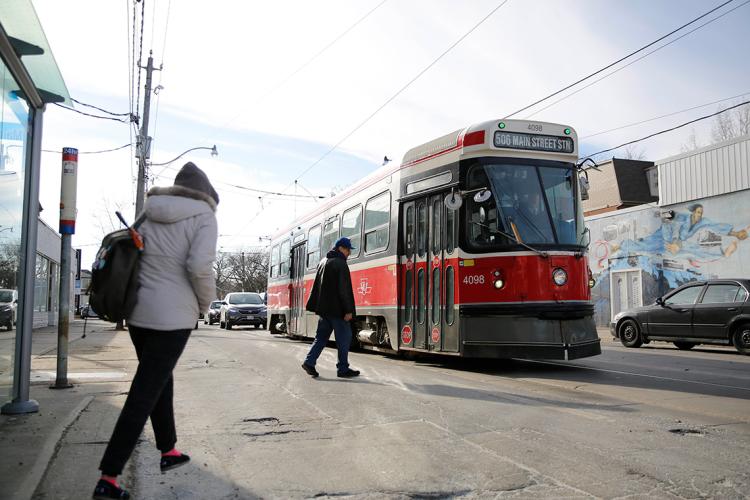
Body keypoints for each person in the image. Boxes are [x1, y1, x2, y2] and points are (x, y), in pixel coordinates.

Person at [93, 162, 219, 499]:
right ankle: (109, 478)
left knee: (159, 378)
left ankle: (168, 451)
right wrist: (205, 305)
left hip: (138, 314)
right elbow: (199, 268)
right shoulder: (204, 216)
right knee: (144, 392)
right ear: (206, 194)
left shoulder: (149, 212)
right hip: (172, 318)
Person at [301, 237, 360, 379]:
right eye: (347, 249)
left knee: (321, 338)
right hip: (337, 310)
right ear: (340, 248)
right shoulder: (340, 264)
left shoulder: (323, 262)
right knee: (345, 338)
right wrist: (348, 310)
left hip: (324, 310)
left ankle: (309, 362)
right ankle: (343, 369)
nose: (349, 253)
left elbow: (317, 287)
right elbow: (344, 290)